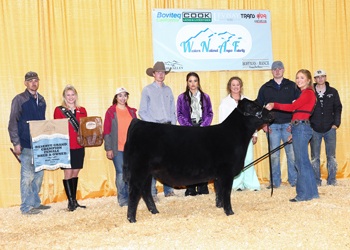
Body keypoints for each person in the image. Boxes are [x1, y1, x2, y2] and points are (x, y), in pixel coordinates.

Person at [266, 69, 319, 202]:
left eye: (302, 78)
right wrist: (293, 132)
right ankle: (312, 193)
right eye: (297, 78)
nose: (299, 80)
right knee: (304, 162)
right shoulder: (304, 93)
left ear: (308, 80)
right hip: (299, 127)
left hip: (301, 127)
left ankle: (303, 194)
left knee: (301, 162)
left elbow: (292, 107)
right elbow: (298, 111)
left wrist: (274, 104)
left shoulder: (308, 93)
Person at [8, 71, 51, 214]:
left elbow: (42, 123)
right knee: (27, 177)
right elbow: (13, 122)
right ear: (25, 83)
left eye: (36, 80)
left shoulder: (42, 100)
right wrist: (16, 142)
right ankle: (26, 208)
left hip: (39, 144)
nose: (34, 83)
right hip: (26, 144)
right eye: (30, 80)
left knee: (38, 177)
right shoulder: (19, 99)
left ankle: (35, 203)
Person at [257, 61, 300, 188]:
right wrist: (263, 124)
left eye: (279, 68)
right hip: (272, 126)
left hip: (289, 125)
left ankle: (295, 181)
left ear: (284, 69)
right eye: (274, 69)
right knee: (274, 156)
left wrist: (294, 124)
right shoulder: (265, 87)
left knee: (292, 155)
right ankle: (275, 183)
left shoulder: (293, 86)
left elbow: (298, 106)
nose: (277, 71)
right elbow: (259, 108)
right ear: (271, 71)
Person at [139, 61, 176, 202]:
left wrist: (173, 126)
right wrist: (153, 126)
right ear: (153, 74)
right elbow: (142, 111)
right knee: (153, 162)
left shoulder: (168, 90)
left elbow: (172, 110)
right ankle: (152, 192)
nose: (160, 74)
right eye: (158, 72)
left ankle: (169, 190)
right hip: (155, 130)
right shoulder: (147, 90)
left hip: (168, 129)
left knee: (168, 161)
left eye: (163, 72)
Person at [219, 76, 260, 191]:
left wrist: (255, 133)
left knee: (248, 159)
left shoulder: (247, 100)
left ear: (241, 86)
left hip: (246, 135)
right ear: (229, 87)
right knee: (235, 161)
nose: (236, 87)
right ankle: (236, 185)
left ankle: (251, 185)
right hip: (232, 137)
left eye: (237, 84)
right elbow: (222, 121)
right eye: (233, 85)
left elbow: (253, 118)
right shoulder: (225, 102)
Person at [177, 72, 213, 196]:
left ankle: (203, 187)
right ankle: (190, 188)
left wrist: (203, 126)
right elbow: (180, 114)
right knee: (190, 160)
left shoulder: (205, 97)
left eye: (195, 81)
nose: (193, 84)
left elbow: (209, 113)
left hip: (202, 129)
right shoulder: (182, 97)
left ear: (198, 82)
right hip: (188, 130)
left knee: (203, 159)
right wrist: (189, 127)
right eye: (190, 81)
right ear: (187, 83)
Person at [54, 85, 87, 211]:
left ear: (76, 96)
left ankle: (74, 201)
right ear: (64, 97)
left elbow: (85, 127)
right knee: (68, 172)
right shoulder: (59, 110)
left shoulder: (82, 110)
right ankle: (70, 202)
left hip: (79, 144)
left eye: (72, 94)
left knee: (76, 171)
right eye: (68, 95)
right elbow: (57, 128)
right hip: (66, 146)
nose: (70, 97)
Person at [103, 87, 137, 207]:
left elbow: (137, 130)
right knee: (121, 173)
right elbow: (106, 131)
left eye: (125, 95)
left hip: (131, 149)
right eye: (120, 95)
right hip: (117, 148)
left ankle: (131, 197)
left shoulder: (132, 112)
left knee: (131, 173)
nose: (123, 98)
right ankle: (123, 199)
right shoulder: (111, 112)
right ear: (116, 97)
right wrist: (108, 148)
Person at [310, 69, 342, 186]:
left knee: (331, 156)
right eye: (317, 77)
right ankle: (316, 181)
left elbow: (338, 108)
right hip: (314, 129)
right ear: (314, 79)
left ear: (326, 77)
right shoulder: (310, 92)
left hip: (330, 129)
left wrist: (336, 124)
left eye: (322, 76)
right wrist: (310, 126)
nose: (320, 79)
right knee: (314, 157)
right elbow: (306, 110)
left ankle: (332, 181)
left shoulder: (333, 92)